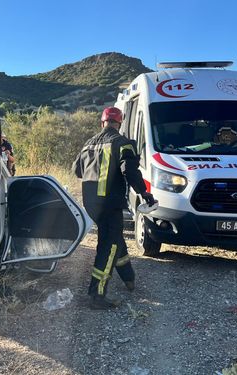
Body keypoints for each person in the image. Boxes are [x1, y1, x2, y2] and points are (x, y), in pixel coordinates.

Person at [72, 107, 156, 310]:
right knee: (108, 247)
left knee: (115, 239)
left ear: (102, 122)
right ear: (120, 123)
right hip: (110, 204)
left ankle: (129, 278)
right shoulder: (123, 143)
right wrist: (144, 193)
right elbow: (130, 170)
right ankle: (96, 295)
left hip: (91, 205)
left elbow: (77, 170)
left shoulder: (87, 144)